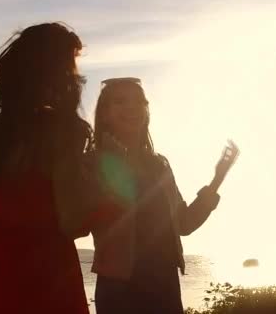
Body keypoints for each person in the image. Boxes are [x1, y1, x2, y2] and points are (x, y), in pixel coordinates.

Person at [0, 23, 92, 314]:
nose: (76, 77)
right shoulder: (65, 132)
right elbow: (74, 222)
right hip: (49, 273)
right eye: (71, 67)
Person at [86, 77, 239, 314]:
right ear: (104, 114)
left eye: (139, 101)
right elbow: (92, 221)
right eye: (120, 101)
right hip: (120, 288)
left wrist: (218, 177)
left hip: (163, 283)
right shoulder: (93, 163)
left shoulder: (159, 165)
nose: (132, 108)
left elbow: (184, 223)